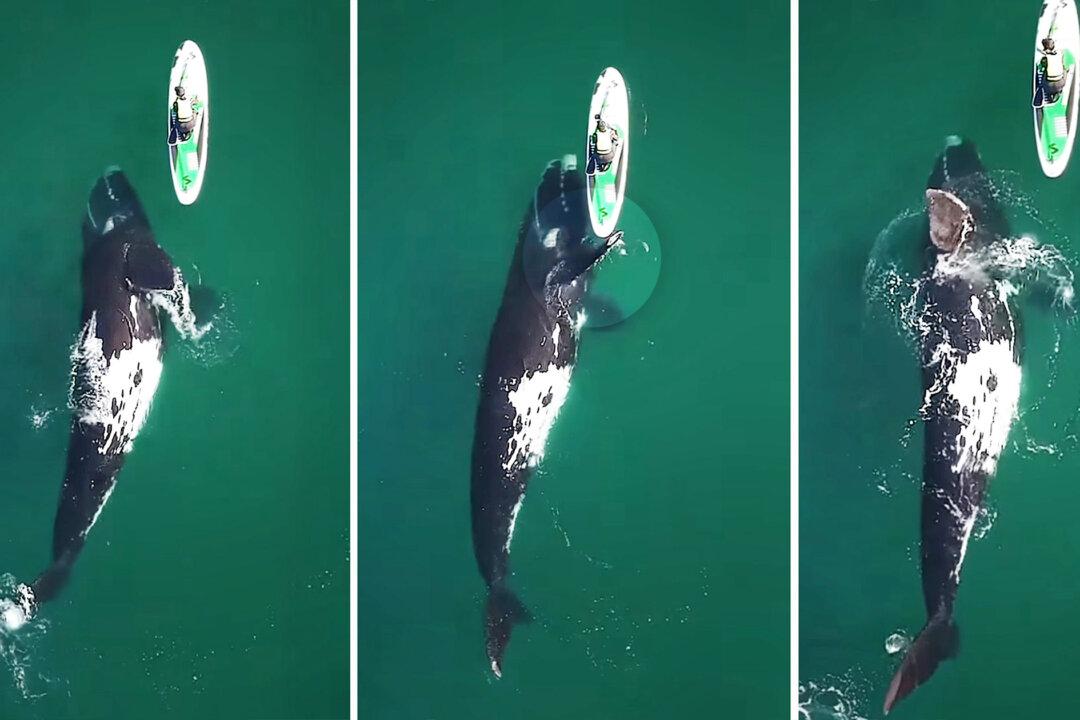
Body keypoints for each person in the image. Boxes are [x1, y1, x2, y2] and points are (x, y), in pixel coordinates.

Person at [1036, 37, 1067, 107]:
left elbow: (1041, 68)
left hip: (1049, 86)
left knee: (1044, 72)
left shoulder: (1044, 58)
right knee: (1064, 69)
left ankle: (1049, 98)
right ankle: (1058, 92)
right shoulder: (1060, 54)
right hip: (1060, 84)